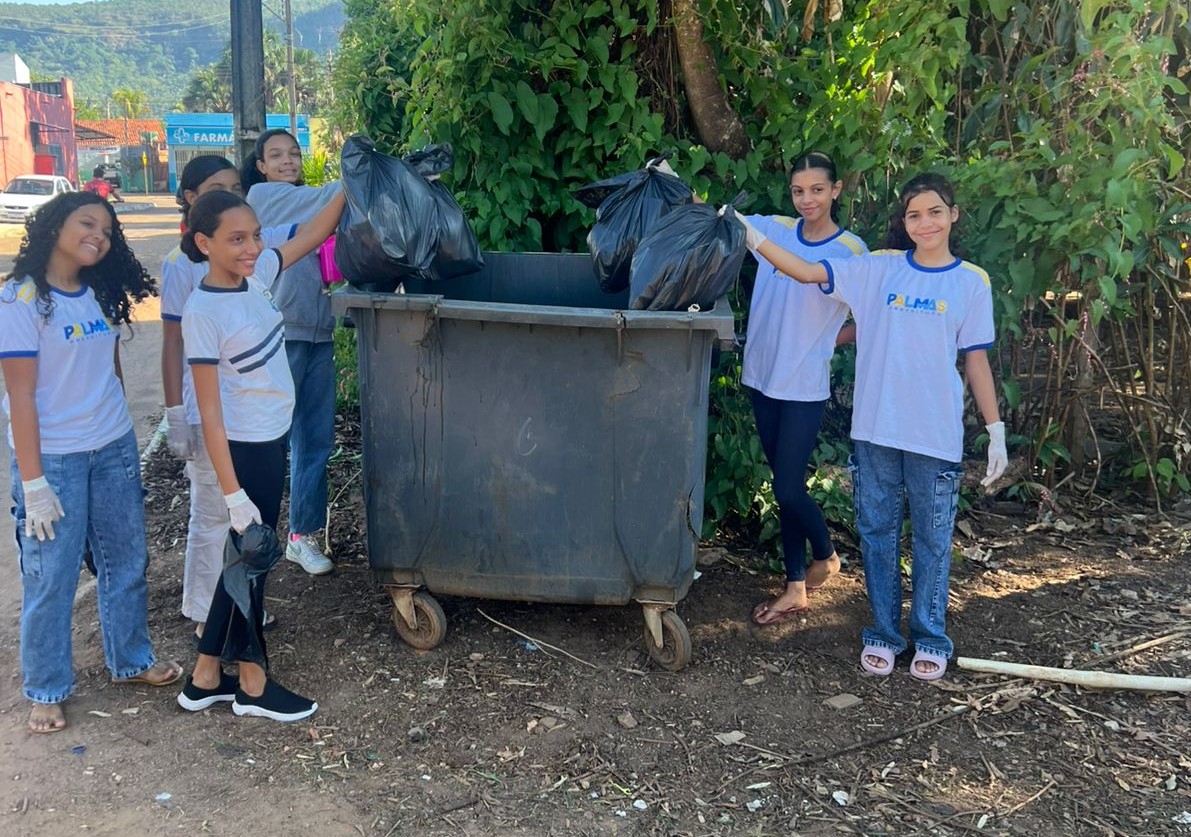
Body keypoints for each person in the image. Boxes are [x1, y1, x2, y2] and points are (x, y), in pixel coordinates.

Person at [734, 172, 1008, 680]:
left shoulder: (971, 281)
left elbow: (975, 361)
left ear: (952, 215)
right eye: (913, 214)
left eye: (933, 212)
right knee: (878, 535)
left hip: (935, 434)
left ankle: (930, 637)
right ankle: (883, 632)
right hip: (876, 429)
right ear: (903, 223)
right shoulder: (878, 269)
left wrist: (995, 430)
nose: (924, 222)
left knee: (931, 539)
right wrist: (752, 235)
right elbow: (805, 271)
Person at [0, 192, 182, 734]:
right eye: (87, 223)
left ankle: (131, 659)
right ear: (54, 225)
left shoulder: (99, 294)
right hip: (52, 459)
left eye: (106, 231)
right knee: (50, 574)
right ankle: (47, 686)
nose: (98, 237)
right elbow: (21, 399)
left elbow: (111, 370)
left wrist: (120, 427)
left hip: (112, 449)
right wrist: (32, 483)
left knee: (126, 560)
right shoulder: (20, 299)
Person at [175, 187, 344, 722]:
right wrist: (233, 495)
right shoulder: (203, 311)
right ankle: (251, 684)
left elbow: (315, 233)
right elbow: (210, 414)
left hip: (270, 440)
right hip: (244, 451)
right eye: (236, 239)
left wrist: (353, 180)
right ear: (204, 243)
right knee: (252, 563)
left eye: (255, 236)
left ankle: (204, 678)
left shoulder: (257, 277)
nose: (251, 247)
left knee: (242, 560)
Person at [160, 155, 295, 641]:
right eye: (218, 188)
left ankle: (226, 633)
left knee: (240, 528)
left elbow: (298, 244)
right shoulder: (184, 271)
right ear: (193, 199)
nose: (231, 195)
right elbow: (174, 340)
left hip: (248, 417)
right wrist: (176, 410)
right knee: (216, 515)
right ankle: (206, 617)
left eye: (236, 187)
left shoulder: (249, 271)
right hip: (217, 416)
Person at [742, 152, 866, 626]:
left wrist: (826, 344)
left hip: (803, 388)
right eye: (799, 190)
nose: (807, 199)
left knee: (790, 488)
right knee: (781, 485)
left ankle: (828, 556)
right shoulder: (775, 227)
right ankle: (795, 586)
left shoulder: (850, 251)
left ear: (836, 190)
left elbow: (870, 316)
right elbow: (720, 217)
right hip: (761, 376)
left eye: (817, 189)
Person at [242, 129, 341, 576]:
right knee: (271, 441)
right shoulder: (264, 199)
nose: (288, 161)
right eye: (276, 155)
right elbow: (329, 201)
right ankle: (251, 536)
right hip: (283, 334)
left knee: (315, 441)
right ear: (260, 165)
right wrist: (362, 174)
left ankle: (302, 536)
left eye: (295, 154)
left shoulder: (310, 200)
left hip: (319, 332)